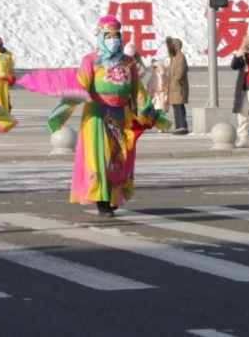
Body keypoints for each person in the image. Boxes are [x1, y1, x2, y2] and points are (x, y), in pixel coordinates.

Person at [56, 15, 167, 215]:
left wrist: (151, 113)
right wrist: (61, 114)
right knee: (100, 157)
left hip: (121, 115)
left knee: (119, 156)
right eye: (109, 35)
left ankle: (115, 195)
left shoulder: (128, 62)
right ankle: (102, 198)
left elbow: (138, 91)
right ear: (101, 37)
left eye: (116, 35)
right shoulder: (91, 61)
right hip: (97, 115)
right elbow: (79, 88)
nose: (113, 39)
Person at [165, 36, 190, 135]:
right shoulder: (174, 57)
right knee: (176, 107)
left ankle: (182, 127)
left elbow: (181, 71)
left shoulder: (180, 56)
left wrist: (175, 80)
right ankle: (179, 127)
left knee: (179, 106)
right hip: (174, 86)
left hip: (179, 86)